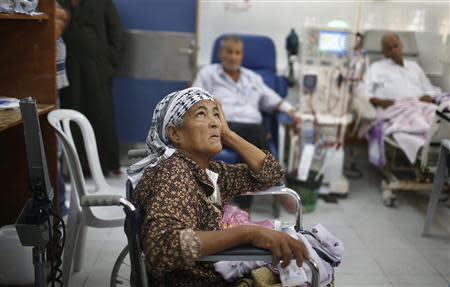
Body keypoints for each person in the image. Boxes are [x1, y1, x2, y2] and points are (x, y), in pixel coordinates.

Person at [128, 87, 308, 286]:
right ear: (175, 134)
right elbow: (163, 246)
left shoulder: (208, 171)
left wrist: (228, 134)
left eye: (216, 114)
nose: (214, 122)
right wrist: (248, 233)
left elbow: (271, 174)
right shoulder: (174, 172)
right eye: (201, 114)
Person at [193, 35, 299, 151]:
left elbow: (272, 99)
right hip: (223, 127)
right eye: (229, 52)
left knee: (255, 136)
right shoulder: (208, 74)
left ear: (242, 56)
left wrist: (291, 111)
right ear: (221, 54)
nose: (233, 57)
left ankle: (255, 166)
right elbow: (194, 101)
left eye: (237, 53)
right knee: (257, 137)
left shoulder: (253, 78)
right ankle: (268, 167)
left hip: (253, 128)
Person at [57, 0, 123, 176]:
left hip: (97, 70)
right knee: (71, 113)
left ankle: (107, 164)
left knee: (101, 115)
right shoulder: (59, 2)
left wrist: (109, 64)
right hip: (69, 70)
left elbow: (115, 31)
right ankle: (75, 168)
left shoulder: (103, 2)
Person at [363, 32, 442, 109]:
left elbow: (430, 89)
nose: (394, 50)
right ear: (384, 51)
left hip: (420, 106)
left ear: (401, 46)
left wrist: (427, 96)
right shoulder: (375, 67)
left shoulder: (414, 66)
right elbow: (364, 92)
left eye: (396, 46)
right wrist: (380, 102)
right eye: (389, 48)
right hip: (394, 109)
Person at [55, 2, 70, 216]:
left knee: (53, 147)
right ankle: (59, 205)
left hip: (49, 88)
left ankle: (59, 205)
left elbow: (61, 16)